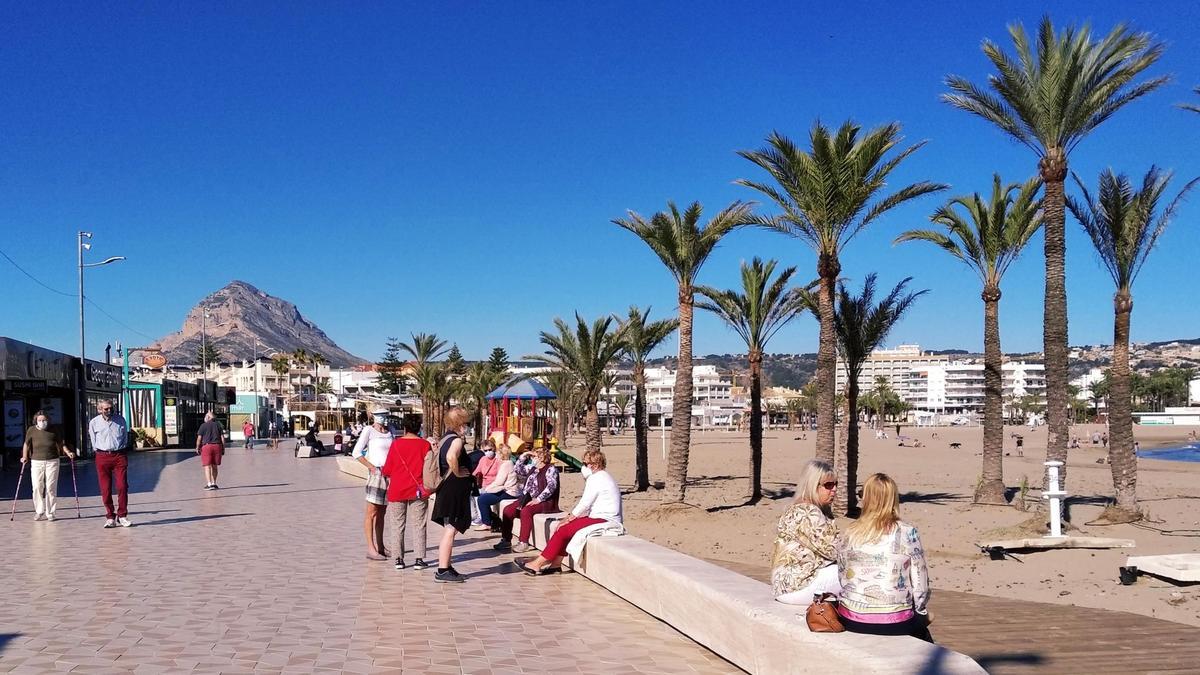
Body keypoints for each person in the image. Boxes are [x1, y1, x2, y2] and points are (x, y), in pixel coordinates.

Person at [836, 473, 932, 642]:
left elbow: (843, 575)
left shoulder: (850, 532)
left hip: (851, 617)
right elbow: (920, 583)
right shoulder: (906, 532)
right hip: (894, 621)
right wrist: (921, 612)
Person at [519, 449, 622, 575]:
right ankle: (556, 564)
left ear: (594, 465)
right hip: (600, 516)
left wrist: (569, 518)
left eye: (585, 464)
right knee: (565, 528)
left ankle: (538, 563)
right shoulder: (602, 477)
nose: (583, 467)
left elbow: (585, 502)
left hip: (605, 519)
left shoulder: (596, 478)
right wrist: (570, 518)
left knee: (563, 529)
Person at [771, 459, 840, 604]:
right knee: (855, 572)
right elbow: (835, 550)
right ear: (813, 486)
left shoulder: (795, 507)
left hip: (784, 586)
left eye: (835, 484)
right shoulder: (809, 512)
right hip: (798, 586)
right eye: (828, 485)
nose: (834, 489)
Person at [380, 415, 432, 570]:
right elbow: (429, 469)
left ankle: (398, 559)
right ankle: (419, 559)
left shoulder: (395, 445)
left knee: (397, 525)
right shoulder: (425, 445)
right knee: (419, 524)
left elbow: (387, 469)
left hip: (397, 490)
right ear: (419, 428)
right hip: (418, 490)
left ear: (405, 428)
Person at [430, 406, 474, 583]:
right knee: (451, 529)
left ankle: (446, 566)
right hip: (453, 490)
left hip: (447, 489)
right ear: (460, 423)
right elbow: (450, 458)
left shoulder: (444, 438)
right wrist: (457, 472)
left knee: (450, 529)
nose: (467, 427)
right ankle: (442, 569)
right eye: (466, 423)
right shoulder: (456, 441)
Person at [493, 445, 560, 554]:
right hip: (526, 498)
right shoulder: (532, 468)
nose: (533, 459)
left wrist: (539, 499)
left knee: (526, 511)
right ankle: (506, 539)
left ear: (542, 458)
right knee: (508, 511)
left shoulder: (551, 469)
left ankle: (523, 542)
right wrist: (523, 456)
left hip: (544, 501)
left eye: (535, 457)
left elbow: (551, 486)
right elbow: (518, 469)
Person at [354, 409, 395, 560]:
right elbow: (356, 452)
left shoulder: (390, 430)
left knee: (382, 512)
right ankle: (371, 548)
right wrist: (371, 467)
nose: (383, 418)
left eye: (385, 414)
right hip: (376, 474)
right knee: (371, 512)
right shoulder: (368, 431)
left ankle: (381, 546)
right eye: (380, 415)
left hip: (389, 474)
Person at [21, 410, 76, 521]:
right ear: (36, 421)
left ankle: (50, 513)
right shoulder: (31, 430)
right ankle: (39, 511)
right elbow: (26, 444)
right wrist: (24, 456)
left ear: (48, 420)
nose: (42, 422)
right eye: (40, 420)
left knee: (51, 487)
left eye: (44, 420)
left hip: (53, 461)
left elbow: (61, 443)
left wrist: (68, 452)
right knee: (37, 486)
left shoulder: (54, 430)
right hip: (36, 461)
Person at [89, 400, 131, 528]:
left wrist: (122, 449)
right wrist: (99, 451)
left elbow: (125, 436)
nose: (109, 411)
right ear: (99, 409)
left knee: (122, 486)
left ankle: (122, 515)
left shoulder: (120, 420)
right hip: (102, 456)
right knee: (105, 489)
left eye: (110, 408)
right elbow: (93, 440)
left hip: (119, 455)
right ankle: (110, 516)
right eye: (105, 409)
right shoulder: (94, 422)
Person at [474, 443, 520, 531]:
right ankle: (492, 521)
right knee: (484, 497)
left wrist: (488, 489)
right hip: (507, 489)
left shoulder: (506, 464)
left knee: (482, 499)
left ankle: (487, 523)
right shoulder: (508, 463)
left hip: (509, 491)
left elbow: (499, 482)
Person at [196, 412, 226, 490]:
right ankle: (214, 483)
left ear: (209, 417)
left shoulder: (203, 425)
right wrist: (223, 448)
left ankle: (209, 484)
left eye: (206, 416)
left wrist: (197, 447)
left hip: (207, 447)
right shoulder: (218, 425)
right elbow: (222, 438)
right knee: (214, 466)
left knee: (207, 466)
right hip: (217, 446)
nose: (205, 418)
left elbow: (199, 438)